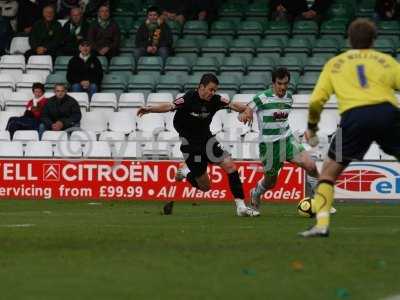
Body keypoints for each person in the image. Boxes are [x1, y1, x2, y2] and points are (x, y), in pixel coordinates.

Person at [300, 19, 400, 237]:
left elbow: (317, 100)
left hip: (354, 117)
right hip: (387, 113)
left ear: (349, 39)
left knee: (328, 172)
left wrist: (312, 128)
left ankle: (322, 225)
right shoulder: (386, 61)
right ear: (373, 40)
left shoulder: (335, 64)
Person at [137, 73, 259, 217]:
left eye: (215, 90)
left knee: (230, 166)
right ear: (201, 87)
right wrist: (150, 109)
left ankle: (241, 207)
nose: (212, 93)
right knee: (206, 187)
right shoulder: (189, 98)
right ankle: (186, 172)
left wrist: (248, 110)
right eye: (210, 89)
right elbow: (170, 106)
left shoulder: (215, 100)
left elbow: (232, 105)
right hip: (191, 146)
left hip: (208, 140)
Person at [239, 68, 337, 215]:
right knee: (270, 182)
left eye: (286, 83)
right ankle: (256, 192)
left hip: (287, 140)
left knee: (310, 165)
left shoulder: (289, 98)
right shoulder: (262, 98)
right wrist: (244, 115)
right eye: (279, 83)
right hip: (269, 147)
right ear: (273, 83)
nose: (283, 87)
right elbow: (245, 110)